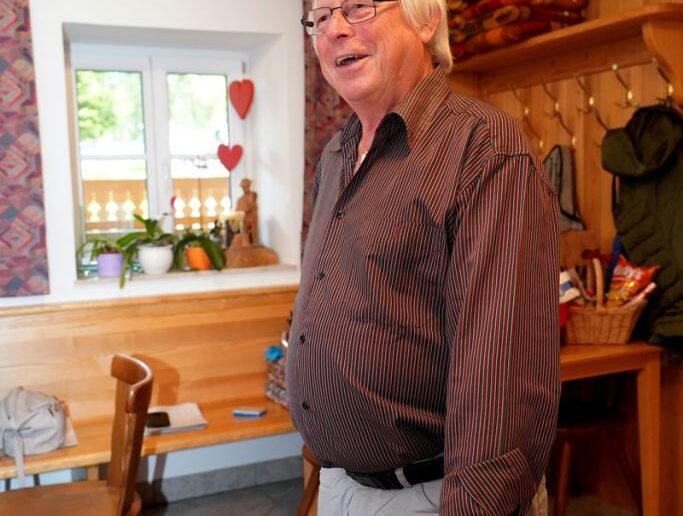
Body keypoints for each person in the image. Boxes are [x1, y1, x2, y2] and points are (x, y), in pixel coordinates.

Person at [287, 1, 560, 514]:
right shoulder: (336, 155)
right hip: (341, 485)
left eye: (358, 7)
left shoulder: (483, 147)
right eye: (320, 17)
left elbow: (500, 374)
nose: (335, 29)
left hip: (434, 495)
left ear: (426, 20)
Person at [235, 177, 258, 245]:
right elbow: (238, 210)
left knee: (254, 232)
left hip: (252, 216)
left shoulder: (253, 195)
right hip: (245, 217)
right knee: (245, 232)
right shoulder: (240, 199)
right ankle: (246, 244)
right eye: (243, 187)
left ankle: (255, 243)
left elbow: (252, 206)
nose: (245, 188)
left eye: (246, 186)